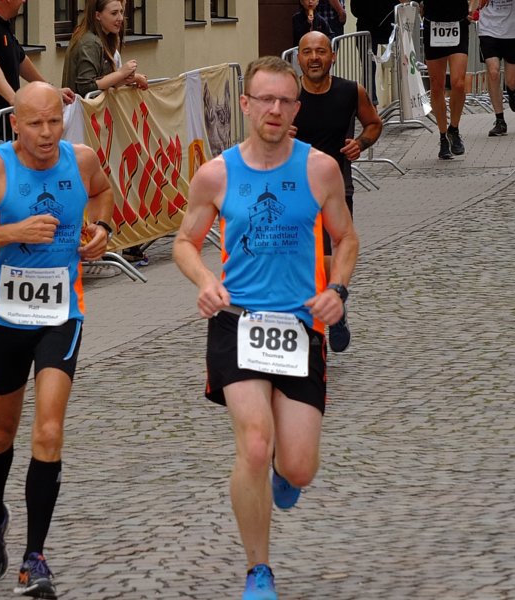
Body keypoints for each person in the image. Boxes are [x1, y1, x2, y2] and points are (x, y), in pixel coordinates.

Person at [172, 56, 359, 600]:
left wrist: (337, 291)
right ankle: (259, 570)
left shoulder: (319, 169)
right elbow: (185, 242)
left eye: (285, 101)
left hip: (300, 327)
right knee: (254, 444)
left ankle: (284, 474)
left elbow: (346, 239)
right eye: (265, 100)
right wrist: (205, 280)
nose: (275, 110)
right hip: (238, 323)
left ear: (296, 109)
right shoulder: (217, 174)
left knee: (298, 467)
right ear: (246, 105)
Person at [0, 82, 114, 599]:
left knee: (49, 432)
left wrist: (100, 228)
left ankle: (35, 558)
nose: (46, 134)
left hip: (62, 314)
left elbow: (102, 191)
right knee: (0, 432)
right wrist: (11, 233)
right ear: (15, 123)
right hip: (4, 318)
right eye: (35, 123)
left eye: (54, 122)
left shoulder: (81, 160)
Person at [292, 31, 381, 353]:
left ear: (332, 57)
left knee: (332, 258)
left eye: (320, 51)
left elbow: (373, 123)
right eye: (307, 52)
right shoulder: (287, 96)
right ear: (298, 58)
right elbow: (260, 133)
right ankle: (318, 318)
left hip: (336, 190)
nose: (314, 57)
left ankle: (335, 300)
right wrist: (274, 134)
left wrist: (362, 143)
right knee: (303, 262)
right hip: (293, 191)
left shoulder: (349, 91)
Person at [62, 0, 148, 265]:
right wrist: (121, 74)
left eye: (122, 12)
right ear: (97, 15)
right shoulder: (90, 43)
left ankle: (106, 241)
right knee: (88, 187)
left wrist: (130, 79)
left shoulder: (105, 42)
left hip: (99, 129)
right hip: (83, 127)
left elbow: (105, 80)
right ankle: (85, 245)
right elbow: (86, 85)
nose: (121, 18)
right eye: (114, 13)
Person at [0, 0, 75, 145]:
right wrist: (15, 100)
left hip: (2, 131)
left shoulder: (3, 24)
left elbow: (21, 60)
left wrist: (50, 90)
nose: (24, 1)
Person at [404, 0, 474, 159]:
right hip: (433, 26)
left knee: (458, 83)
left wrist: (472, 8)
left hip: (459, 25)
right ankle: (443, 136)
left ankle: (454, 129)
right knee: (437, 86)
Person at [477, 0, 515, 136]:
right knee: (493, 72)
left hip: (513, 32)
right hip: (488, 30)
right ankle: (500, 120)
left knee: (511, 81)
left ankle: (512, 91)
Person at [349, 0, 399, 106]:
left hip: (383, 27)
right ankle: (370, 104)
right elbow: (355, 10)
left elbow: (355, 10)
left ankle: (371, 104)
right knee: (369, 68)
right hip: (377, 27)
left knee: (368, 68)